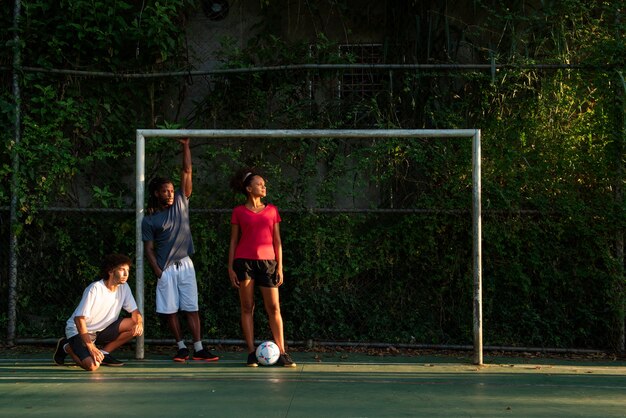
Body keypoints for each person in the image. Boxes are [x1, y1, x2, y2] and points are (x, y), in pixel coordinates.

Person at [141, 138, 218, 362]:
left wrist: (185, 146)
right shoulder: (150, 220)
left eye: (172, 190)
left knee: (191, 307)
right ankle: (181, 347)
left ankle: (199, 348)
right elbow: (149, 248)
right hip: (165, 269)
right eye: (165, 191)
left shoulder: (181, 203)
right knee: (171, 310)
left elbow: (187, 170)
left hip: (185, 264)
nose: (170, 193)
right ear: (156, 193)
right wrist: (157, 270)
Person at [228, 167, 296, 367]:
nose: (264, 187)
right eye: (260, 184)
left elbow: (277, 240)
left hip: (268, 263)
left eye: (264, 184)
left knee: (274, 308)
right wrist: (230, 267)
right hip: (244, 262)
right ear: (249, 188)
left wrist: (280, 267)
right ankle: (251, 352)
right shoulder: (239, 211)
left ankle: (282, 352)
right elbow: (233, 241)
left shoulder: (272, 210)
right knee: (247, 307)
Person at [53, 253, 143, 371]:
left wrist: (139, 322)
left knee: (134, 324)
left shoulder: (124, 287)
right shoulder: (94, 288)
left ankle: (104, 353)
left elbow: (135, 312)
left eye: (127, 270)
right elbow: (79, 319)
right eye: (122, 270)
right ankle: (66, 346)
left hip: (101, 330)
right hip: (79, 331)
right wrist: (90, 346)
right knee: (92, 366)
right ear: (110, 271)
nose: (126, 274)